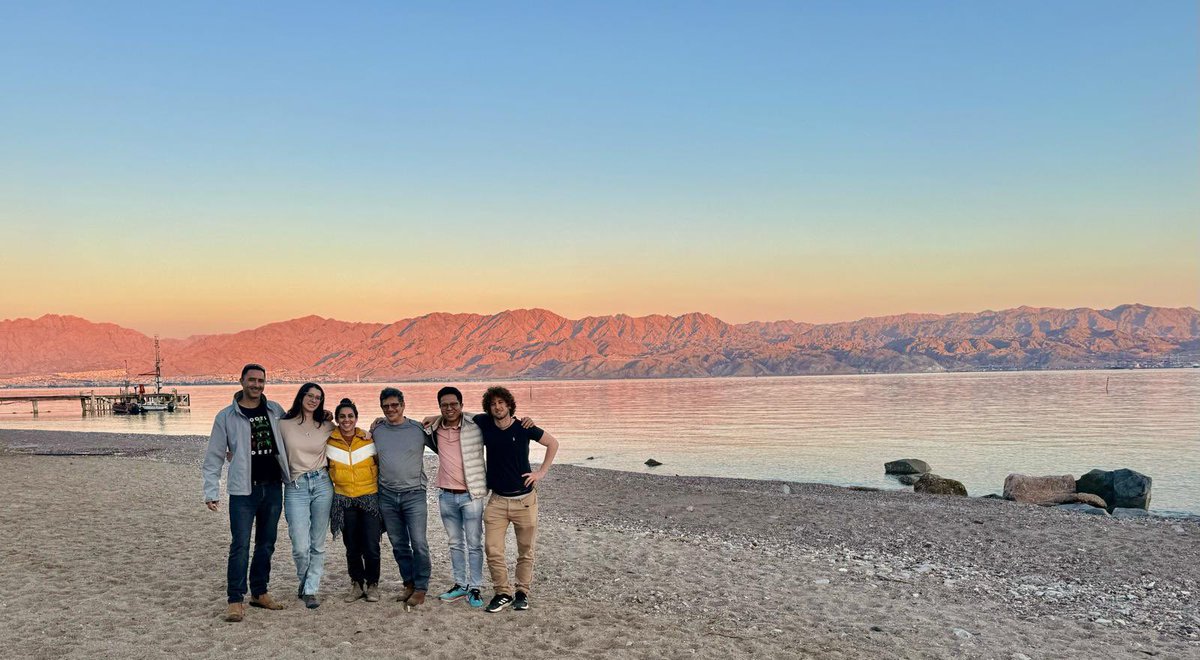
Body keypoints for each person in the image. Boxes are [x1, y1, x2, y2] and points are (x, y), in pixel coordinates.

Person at [202, 363, 291, 623]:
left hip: (274, 487)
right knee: (240, 545)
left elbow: (297, 430)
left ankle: (259, 592)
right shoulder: (226, 416)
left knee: (267, 543)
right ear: (241, 381)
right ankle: (235, 600)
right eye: (251, 380)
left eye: (261, 380)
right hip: (243, 491)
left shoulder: (275, 410)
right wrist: (211, 490)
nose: (256, 385)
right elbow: (215, 456)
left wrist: (324, 416)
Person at [475, 386, 559, 613]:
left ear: (510, 405)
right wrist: (434, 417)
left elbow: (553, 443)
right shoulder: (484, 424)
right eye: (493, 404)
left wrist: (540, 473)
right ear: (488, 408)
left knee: (526, 549)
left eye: (501, 402)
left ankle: (522, 592)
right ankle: (502, 593)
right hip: (497, 501)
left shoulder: (524, 427)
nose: (497, 407)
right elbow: (456, 416)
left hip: (525, 501)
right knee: (492, 549)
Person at [371, 387, 436, 608]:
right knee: (398, 544)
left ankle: (421, 587)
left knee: (419, 543)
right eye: (386, 406)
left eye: (394, 405)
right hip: (387, 495)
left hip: (414, 494)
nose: (390, 409)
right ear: (381, 407)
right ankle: (408, 583)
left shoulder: (418, 429)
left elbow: (446, 446)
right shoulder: (377, 430)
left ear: (403, 405)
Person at [278, 382, 335, 609]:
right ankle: (304, 582)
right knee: (300, 545)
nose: (313, 400)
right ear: (300, 396)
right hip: (296, 486)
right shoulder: (283, 425)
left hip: (322, 484)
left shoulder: (327, 425)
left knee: (317, 544)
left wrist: (378, 423)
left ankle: (310, 589)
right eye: (309, 395)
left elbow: (353, 430)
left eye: (318, 397)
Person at [326, 398, 382, 603]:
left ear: (356, 418)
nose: (346, 420)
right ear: (337, 419)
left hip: (369, 497)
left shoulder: (368, 439)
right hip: (343, 500)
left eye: (350, 416)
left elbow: (379, 464)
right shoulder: (329, 441)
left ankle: (373, 584)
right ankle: (356, 584)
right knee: (351, 546)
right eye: (342, 416)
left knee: (371, 545)